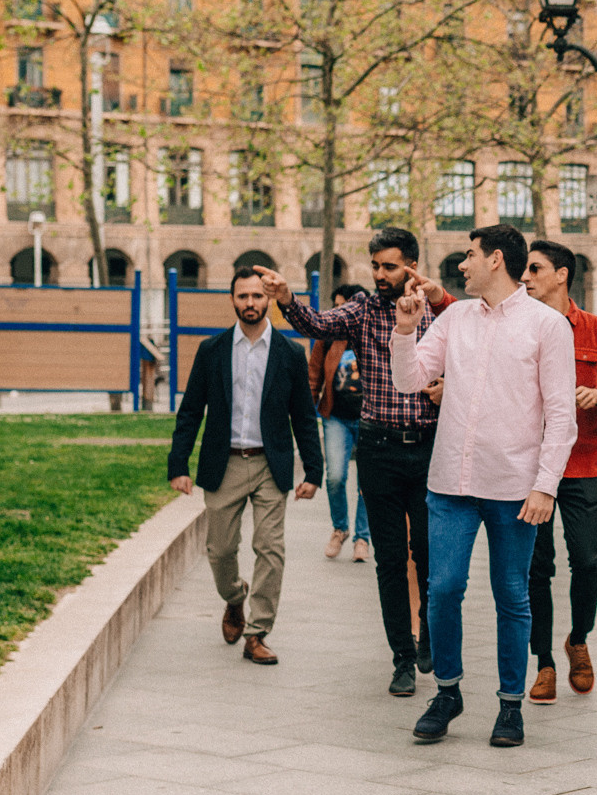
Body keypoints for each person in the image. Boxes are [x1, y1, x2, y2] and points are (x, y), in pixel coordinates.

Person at [389, 224, 576, 748]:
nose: (461, 265)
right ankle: (447, 691)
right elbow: (409, 381)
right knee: (442, 589)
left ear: (496, 259)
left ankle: (510, 705)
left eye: (469, 256)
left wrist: (546, 486)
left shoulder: (547, 326)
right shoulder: (454, 317)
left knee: (512, 595)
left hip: (515, 485)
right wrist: (406, 330)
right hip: (450, 480)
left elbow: (562, 415)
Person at [261, 228, 440, 698]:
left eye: (390, 266)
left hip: (428, 448)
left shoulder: (437, 311)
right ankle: (402, 656)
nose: (380, 275)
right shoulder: (362, 310)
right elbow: (317, 324)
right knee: (387, 560)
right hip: (379, 449)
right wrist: (287, 299)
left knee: (427, 554)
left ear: (412, 266)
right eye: (375, 266)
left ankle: (430, 634)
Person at [168, 266, 323, 666]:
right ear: (232, 299)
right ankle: (235, 598)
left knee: (270, 549)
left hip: (271, 464)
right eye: (243, 297)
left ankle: (258, 632)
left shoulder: (290, 353)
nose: (250, 303)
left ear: (268, 299)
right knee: (219, 551)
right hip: (225, 464)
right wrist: (178, 464)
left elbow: (304, 417)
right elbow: (190, 412)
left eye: (257, 296)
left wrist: (314, 471)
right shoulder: (212, 351)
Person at [521, 239, 597, 705]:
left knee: (587, 561)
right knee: (536, 570)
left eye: (534, 268)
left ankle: (579, 639)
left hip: (583, 464)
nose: (525, 277)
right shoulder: (520, 329)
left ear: (562, 274)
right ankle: (544, 664)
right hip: (528, 470)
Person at [309, 283, 373, 563]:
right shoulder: (327, 337)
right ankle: (340, 528)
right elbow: (314, 376)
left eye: (341, 305)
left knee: (367, 483)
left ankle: (362, 537)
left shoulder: (374, 335)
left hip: (371, 420)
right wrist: (306, 409)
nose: (336, 311)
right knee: (335, 476)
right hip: (336, 417)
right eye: (334, 305)